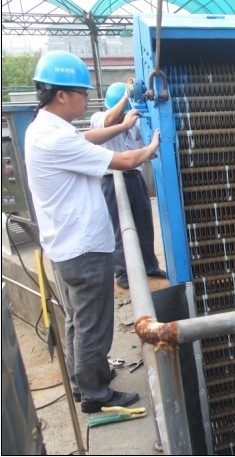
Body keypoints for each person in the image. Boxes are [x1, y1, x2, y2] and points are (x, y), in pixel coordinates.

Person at [24, 51, 160, 414]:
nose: (87, 99)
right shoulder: (56, 140)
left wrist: (121, 125)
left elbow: (87, 137)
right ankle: (96, 393)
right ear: (61, 95)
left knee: (76, 321)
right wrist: (152, 147)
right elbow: (126, 160)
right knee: (93, 326)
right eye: (82, 93)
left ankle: (81, 379)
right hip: (83, 250)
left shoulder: (43, 128)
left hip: (64, 248)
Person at [91, 82, 167, 290]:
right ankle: (123, 273)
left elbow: (145, 141)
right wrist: (127, 95)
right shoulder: (98, 118)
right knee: (119, 229)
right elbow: (109, 120)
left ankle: (150, 266)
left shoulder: (135, 120)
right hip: (112, 181)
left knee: (144, 225)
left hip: (135, 177)